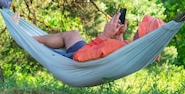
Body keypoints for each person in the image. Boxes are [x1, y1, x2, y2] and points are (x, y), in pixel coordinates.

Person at [19, 11, 165, 62]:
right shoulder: (134, 50)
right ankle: (32, 38)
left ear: (143, 35)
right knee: (73, 34)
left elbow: (78, 56)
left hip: (72, 62)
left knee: (44, 49)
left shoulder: (111, 45)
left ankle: (25, 39)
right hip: (91, 55)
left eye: (141, 28)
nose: (137, 29)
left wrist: (105, 34)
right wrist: (119, 34)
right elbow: (119, 52)